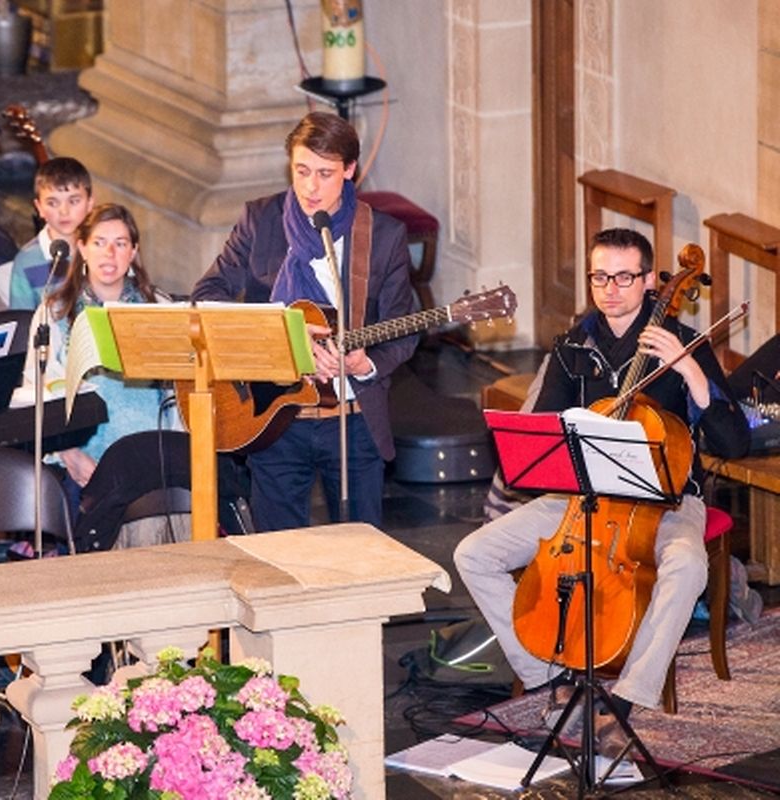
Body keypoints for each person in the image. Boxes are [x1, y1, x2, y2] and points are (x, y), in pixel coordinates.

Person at [453, 228, 750, 756]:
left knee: (687, 564)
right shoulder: (575, 346)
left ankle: (630, 697)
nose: (610, 288)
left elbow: (734, 439)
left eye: (624, 277)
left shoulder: (682, 344)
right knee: (474, 553)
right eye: (599, 276)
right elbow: (541, 427)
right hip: (581, 500)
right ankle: (547, 676)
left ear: (647, 281)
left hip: (667, 503)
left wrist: (686, 368)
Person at [190, 111, 419, 532]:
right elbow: (208, 295)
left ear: (350, 170)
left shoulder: (382, 236)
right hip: (273, 417)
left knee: (362, 556)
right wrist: (286, 343)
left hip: (352, 422)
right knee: (279, 556)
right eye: (302, 171)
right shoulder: (260, 221)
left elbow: (403, 329)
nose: (311, 187)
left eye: (326, 173)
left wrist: (364, 364)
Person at [29, 203, 179, 508]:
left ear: (133, 251)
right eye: (99, 242)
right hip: (83, 458)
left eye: (120, 243)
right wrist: (68, 454)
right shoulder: (54, 312)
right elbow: (39, 391)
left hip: (154, 454)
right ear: (82, 248)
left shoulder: (159, 307)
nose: (109, 253)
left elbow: (180, 391)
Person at [6, 157, 94, 311]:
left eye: (74, 201)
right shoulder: (27, 260)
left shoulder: (102, 248)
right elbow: (21, 319)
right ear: (39, 207)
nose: (64, 211)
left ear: (90, 203)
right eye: (52, 203)